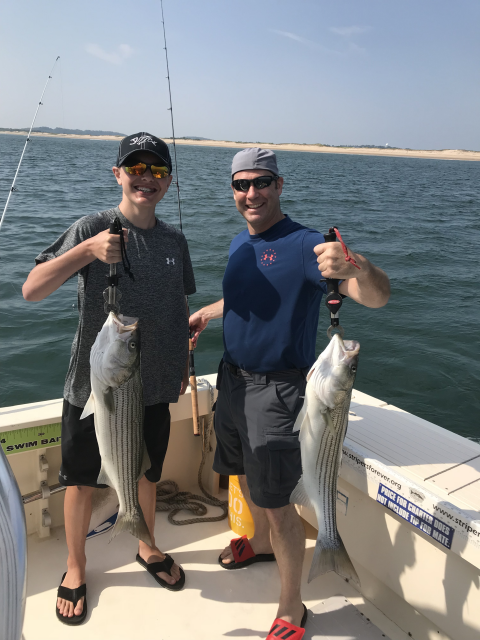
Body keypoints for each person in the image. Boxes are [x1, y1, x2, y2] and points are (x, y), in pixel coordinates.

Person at [189, 147, 390, 639]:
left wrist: (357, 265)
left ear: (280, 185)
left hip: (277, 391)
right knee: (243, 476)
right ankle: (255, 543)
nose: (251, 193)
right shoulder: (241, 240)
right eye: (241, 185)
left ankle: (291, 605)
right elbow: (244, 295)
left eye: (261, 183)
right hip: (232, 380)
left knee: (278, 502)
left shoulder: (304, 246)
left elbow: (377, 297)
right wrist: (209, 313)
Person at [22, 132, 195, 625]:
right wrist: (87, 252)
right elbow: (32, 289)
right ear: (117, 173)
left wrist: (182, 362)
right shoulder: (93, 226)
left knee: (146, 472)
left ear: (167, 181)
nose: (146, 179)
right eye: (135, 169)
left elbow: (179, 302)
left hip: (157, 384)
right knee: (80, 481)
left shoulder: (174, 240)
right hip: (95, 387)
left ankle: (147, 546)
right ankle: (76, 567)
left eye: (157, 171)